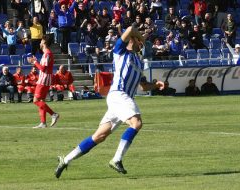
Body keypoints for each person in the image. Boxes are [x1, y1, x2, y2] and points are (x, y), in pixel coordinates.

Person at [54, 25, 165, 178]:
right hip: (118, 95)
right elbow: (131, 28)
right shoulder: (120, 51)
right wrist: (141, 36)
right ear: (133, 40)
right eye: (141, 41)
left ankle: (65, 160)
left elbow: (144, 86)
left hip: (122, 101)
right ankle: (116, 159)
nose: (143, 44)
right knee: (136, 123)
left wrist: (156, 84)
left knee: (99, 136)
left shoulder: (139, 63)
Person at [27, 35, 60, 129]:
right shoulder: (46, 53)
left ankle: (53, 114)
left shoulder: (47, 54)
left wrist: (34, 62)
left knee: (36, 101)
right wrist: (36, 61)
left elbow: (43, 68)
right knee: (41, 101)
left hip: (43, 79)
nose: (40, 42)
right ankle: (43, 123)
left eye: (41, 41)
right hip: (45, 79)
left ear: (44, 42)